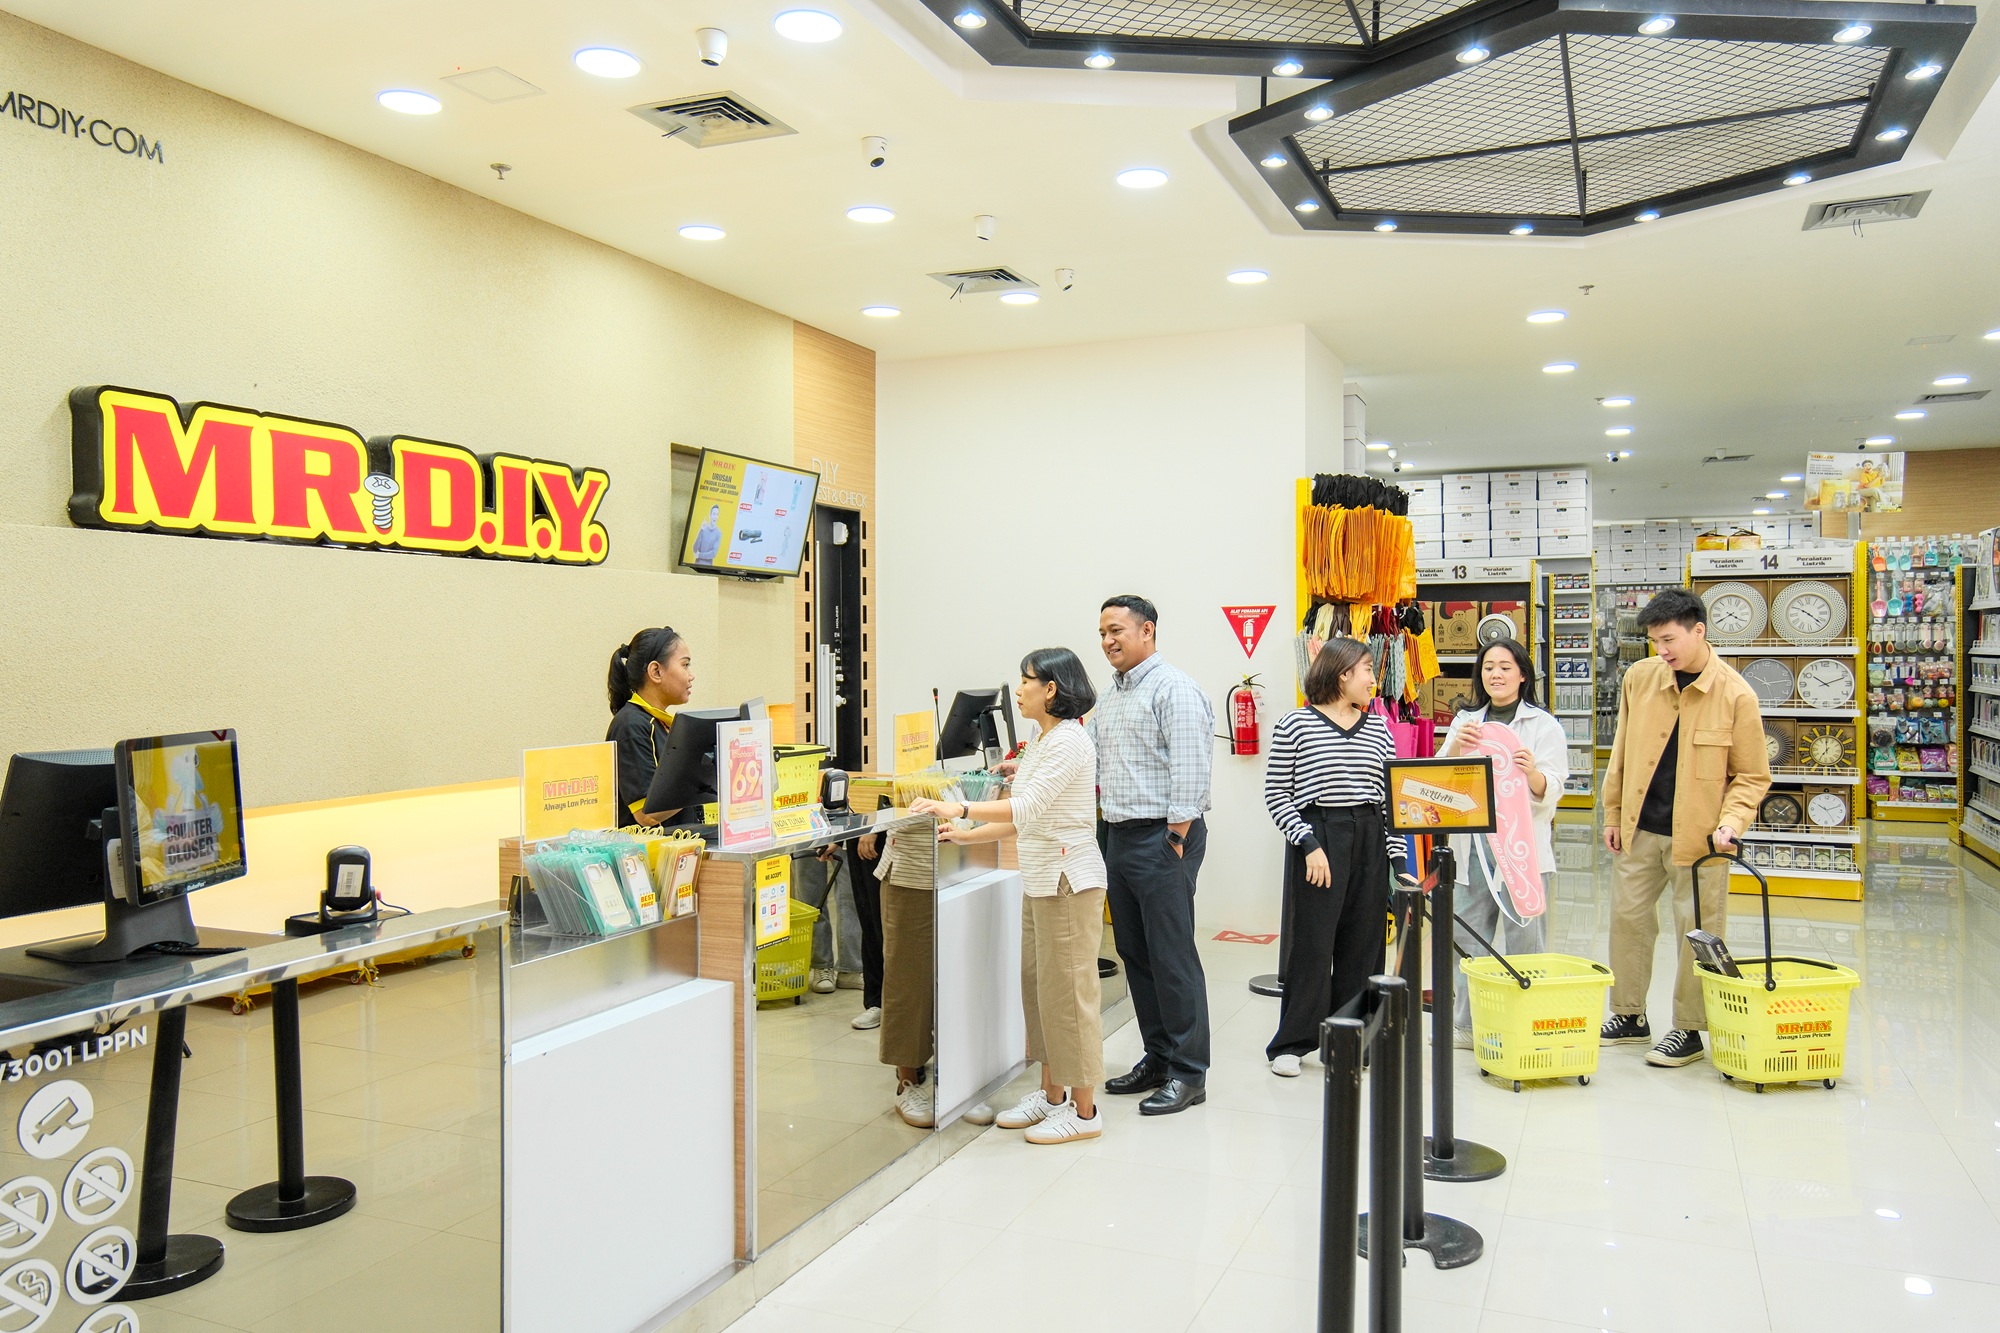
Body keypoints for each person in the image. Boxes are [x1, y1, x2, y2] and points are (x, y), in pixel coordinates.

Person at [913, 648, 1107, 1144]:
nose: (1018, 690)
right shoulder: (1042, 740)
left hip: (1068, 880)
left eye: (1026, 680)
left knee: (1070, 997)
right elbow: (1025, 820)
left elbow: (1027, 806)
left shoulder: (1069, 741)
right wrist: (966, 837)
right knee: (1040, 991)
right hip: (1040, 880)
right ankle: (1052, 1095)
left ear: (1051, 689)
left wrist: (959, 810)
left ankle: (1085, 1112)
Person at [1601, 588, 1771, 1067]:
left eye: (1669, 640)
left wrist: (1731, 823)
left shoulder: (1736, 695)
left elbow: (1752, 776)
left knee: (1697, 931)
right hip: (1639, 828)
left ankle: (1690, 1029)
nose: (1662, 651)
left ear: (1698, 631)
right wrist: (1612, 813)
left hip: (1700, 839)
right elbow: (1620, 752)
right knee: (1628, 921)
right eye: (1655, 642)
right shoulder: (1639, 678)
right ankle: (1629, 1014)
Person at [1092, 595, 1215, 1115]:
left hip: (1164, 838)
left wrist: (1176, 837)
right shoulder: (1111, 696)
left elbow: (1191, 768)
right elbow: (1093, 759)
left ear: (1147, 631)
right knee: (1136, 953)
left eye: (1116, 630)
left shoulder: (1173, 688)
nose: (1107, 641)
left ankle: (1189, 1072)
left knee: (1171, 955)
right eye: (1102, 632)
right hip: (1119, 836)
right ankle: (1159, 1057)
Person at [1261, 638, 1406, 1076]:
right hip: (1319, 834)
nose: (1373, 680)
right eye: (1367, 670)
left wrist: (1398, 865)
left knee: (1364, 945)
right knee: (1312, 943)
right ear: (1343, 674)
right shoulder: (1296, 724)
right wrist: (1308, 844)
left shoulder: (1378, 728)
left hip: (1369, 837)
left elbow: (1391, 803)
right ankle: (1293, 1042)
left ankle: (1351, 1038)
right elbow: (1276, 794)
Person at [1437, 637, 1568, 1047]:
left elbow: (1555, 786)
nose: (1495, 674)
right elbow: (1440, 781)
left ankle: (1526, 1023)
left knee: (1525, 937)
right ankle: (1465, 1024)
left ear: (1523, 675)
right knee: (1467, 936)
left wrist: (1532, 774)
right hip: (1474, 847)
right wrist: (1456, 747)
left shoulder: (1543, 725)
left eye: (1505, 667)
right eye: (1489, 667)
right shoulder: (1466, 722)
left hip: (1522, 849)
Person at [604, 627, 695, 827]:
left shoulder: (664, 724)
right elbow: (646, 814)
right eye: (685, 665)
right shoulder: (630, 726)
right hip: (648, 847)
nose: (691, 676)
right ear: (656, 672)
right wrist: (703, 783)